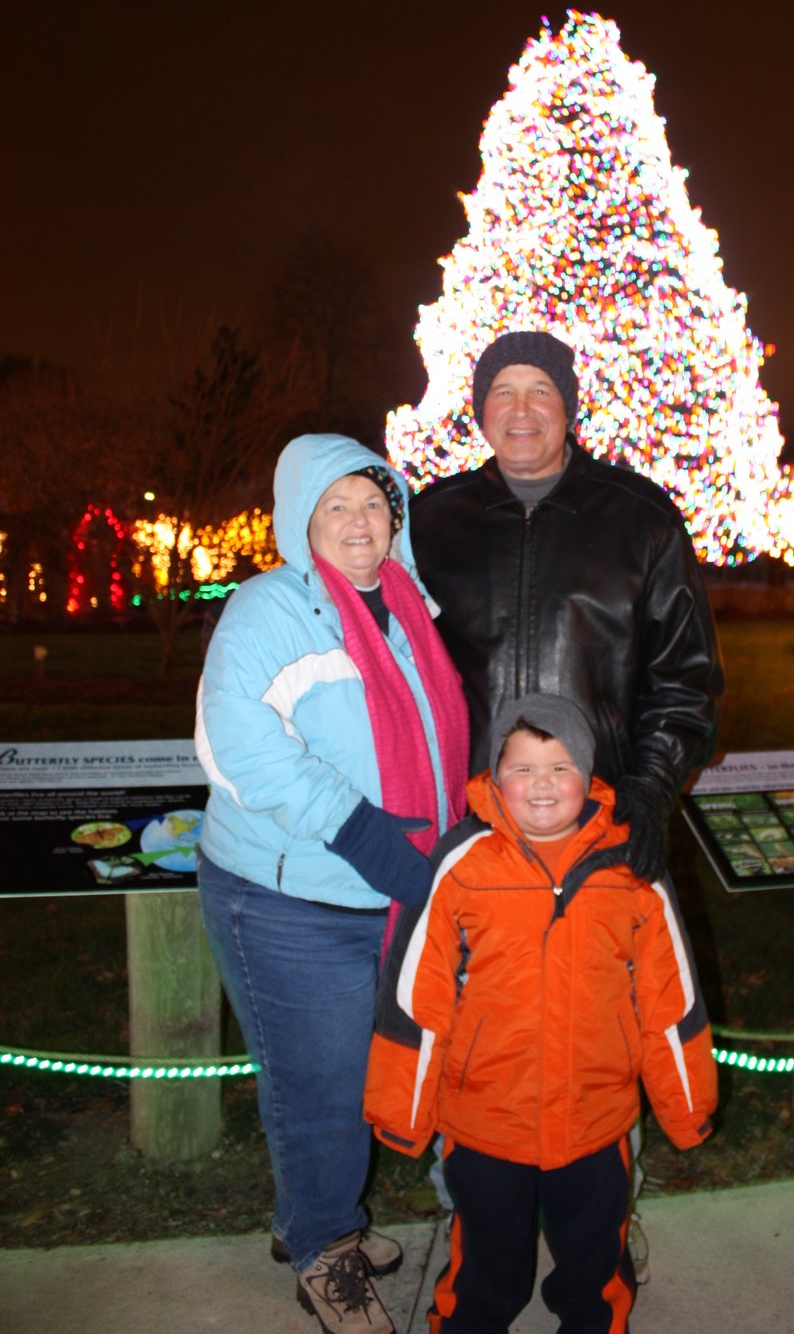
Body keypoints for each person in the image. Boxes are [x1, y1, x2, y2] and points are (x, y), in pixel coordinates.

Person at [196, 433, 469, 1334]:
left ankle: (311, 1220)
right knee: (319, 1085)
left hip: (384, 889)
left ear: (396, 516)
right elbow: (242, 748)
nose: (359, 522)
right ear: (299, 521)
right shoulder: (267, 611)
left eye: (374, 503)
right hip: (288, 897)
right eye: (335, 506)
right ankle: (323, 1248)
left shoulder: (409, 605)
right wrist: (368, 837)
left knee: (352, 1072)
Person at [365, 693, 717, 1334]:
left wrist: (686, 1104)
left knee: (595, 1262)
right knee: (485, 1266)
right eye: (523, 768)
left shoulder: (631, 865)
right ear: (495, 777)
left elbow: (671, 997)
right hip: (485, 1119)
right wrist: (401, 1109)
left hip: (594, 1117)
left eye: (561, 767)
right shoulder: (461, 864)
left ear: (590, 775)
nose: (543, 785)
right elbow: (416, 992)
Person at [409, 329, 724, 887]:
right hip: (471, 821)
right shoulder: (431, 523)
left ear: (569, 408)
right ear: (482, 411)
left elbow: (686, 679)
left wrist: (648, 788)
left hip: (601, 818)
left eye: (540, 390)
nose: (521, 410)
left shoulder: (641, 519)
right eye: (503, 392)